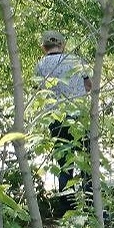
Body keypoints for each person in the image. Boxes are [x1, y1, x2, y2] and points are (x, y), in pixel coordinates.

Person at [35, 30, 91, 197]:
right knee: (86, 158)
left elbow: (38, 93)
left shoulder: (40, 66)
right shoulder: (75, 61)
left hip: (55, 119)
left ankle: (66, 205)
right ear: (63, 44)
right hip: (80, 116)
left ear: (44, 47)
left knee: (64, 162)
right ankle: (90, 200)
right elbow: (89, 85)